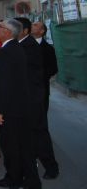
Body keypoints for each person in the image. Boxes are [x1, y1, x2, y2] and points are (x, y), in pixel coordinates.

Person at [0, 19, 41, 189]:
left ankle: (15, 179)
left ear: (9, 32)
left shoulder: (7, 51)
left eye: (1, 28)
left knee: (12, 146)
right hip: (19, 107)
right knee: (21, 145)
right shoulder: (12, 49)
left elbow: (5, 84)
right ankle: (25, 179)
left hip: (11, 108)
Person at [15, 18, 59, 180]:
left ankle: (50, 166)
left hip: (37, 94)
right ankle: (30, 161)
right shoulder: (23, 44)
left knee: (39, 129)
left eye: (36, 25)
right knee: (29, 130)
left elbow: (51, 68)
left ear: (41, 31)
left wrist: (39, 78)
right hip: (27, 94)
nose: (34, 26)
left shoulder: (45, 48)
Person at [31, 21, 58, 112]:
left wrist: (40, 76)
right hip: (25, 89)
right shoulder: (22, 46)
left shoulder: (48, 49)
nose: (32, 26)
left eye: (35, 25)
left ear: (42, 31)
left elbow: (53, 68)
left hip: (42, 88)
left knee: (41, 115)